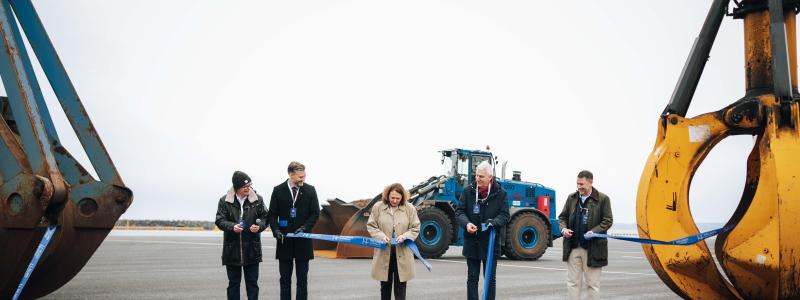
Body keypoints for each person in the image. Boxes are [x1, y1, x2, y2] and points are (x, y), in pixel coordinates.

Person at [455, 161, 510, 300]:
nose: (477, 179)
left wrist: (494, 222)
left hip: (490, 244)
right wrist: (467, 224)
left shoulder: (501, 193)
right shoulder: (468, 191)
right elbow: (459, 212)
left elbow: (504, 215)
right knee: (472, 278)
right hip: (472, 243)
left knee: (490, 279)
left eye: (481, 177)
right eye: (476, 175)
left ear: (490, 177)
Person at [268, 162, 320, 300]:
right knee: (285, 281)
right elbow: (272, 215)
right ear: (290, 174)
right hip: (284, 241)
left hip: (303, 242)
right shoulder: (278, 190)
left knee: (302, 281)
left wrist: (305, 228)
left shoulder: (310, 190)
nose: (303, 179)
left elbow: (315, 213)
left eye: (304, 176)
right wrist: (276, 231)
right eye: (300, 176)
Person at [557, 170, 613, 300]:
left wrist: (594, 232)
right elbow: (562, 217)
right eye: (577, 184)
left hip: (593, 249)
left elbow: (608, 220)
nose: (579, 187)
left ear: (590, 182)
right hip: (573, 248)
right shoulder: (572, 198)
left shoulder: (603, 199)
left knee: (592, 285)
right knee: (572, 283)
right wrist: (564, 229)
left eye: (581, 184)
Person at [215, 171, 269, 300]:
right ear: (236, 187)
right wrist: (232, 227)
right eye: (245, 187)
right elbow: (219, 220)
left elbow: (265, 217)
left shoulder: (257, 200)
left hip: (252, 249)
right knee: (233, 284)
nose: (248, 189)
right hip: (232, 250)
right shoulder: (224, 201)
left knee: (252, 284)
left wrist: (259, 226)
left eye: (250, 185)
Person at [367, 183, 421, 300]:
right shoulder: (378, 207)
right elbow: (371, 226)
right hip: (383, 252)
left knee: (400, 287)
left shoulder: (409, 208)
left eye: (398, 198)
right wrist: (381, 236)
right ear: (387, 195)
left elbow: (415, 228)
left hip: (402, 253)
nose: (395, 200)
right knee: (385, 287)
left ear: (402, 197)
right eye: (392, 198)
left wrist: (405, 236)